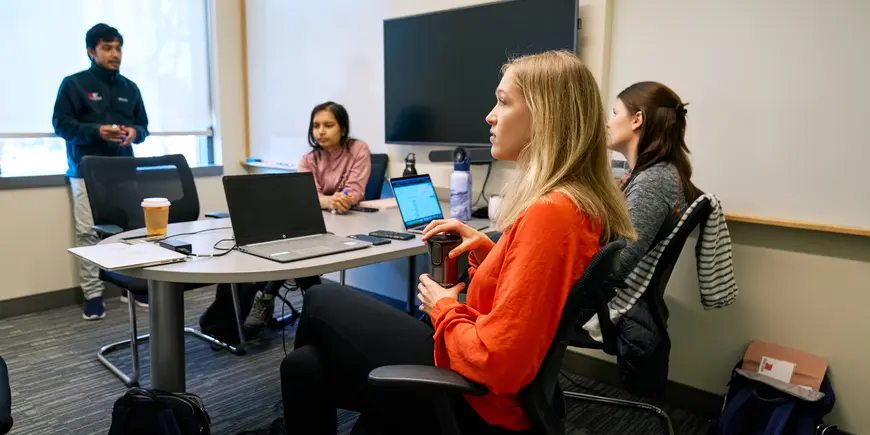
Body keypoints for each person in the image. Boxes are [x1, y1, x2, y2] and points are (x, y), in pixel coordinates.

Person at [277, 50, 635, 435]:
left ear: (545, 116)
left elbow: (500, 362)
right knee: (302, 365)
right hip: (476, 369)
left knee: (319, 299)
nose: (490, 115)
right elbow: (533, 290)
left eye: (502, 101)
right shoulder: (576, 203)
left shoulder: (552, 213)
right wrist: (489, 248)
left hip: (477, 397)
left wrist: (444, 307)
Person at [243, 102, 371, 330]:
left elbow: (355, 189)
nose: (320, 131)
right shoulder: (308, 159)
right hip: (316, 222)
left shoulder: (358, 149)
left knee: (298, 248)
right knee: (295, 243)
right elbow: (306, 196)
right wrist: (331, 201)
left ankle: (267, 296)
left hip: (350, 220)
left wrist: (343, 199)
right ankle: (319, 312)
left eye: (328, 125)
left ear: (342, 128)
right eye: (316, 126)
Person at [53, 23, 149, 320]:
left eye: (118, 47)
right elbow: (62, 125)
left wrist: (135, 132)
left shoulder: (130, 88)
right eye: (107, 48)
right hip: (85, 172)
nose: (115, 53)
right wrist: (97, 131)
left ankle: (131, 286)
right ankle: (93, 295)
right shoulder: (73, 84)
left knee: (131, 231)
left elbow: (144, 127)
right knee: (87, 234)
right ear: (91, 51)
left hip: (123, 171)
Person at [604, 81, 700, 281]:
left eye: (614, 113)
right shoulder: (653, 173)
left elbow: (616, 268)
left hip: (615, 304)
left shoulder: (654, 181)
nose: (608, 123)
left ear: (637, 119)